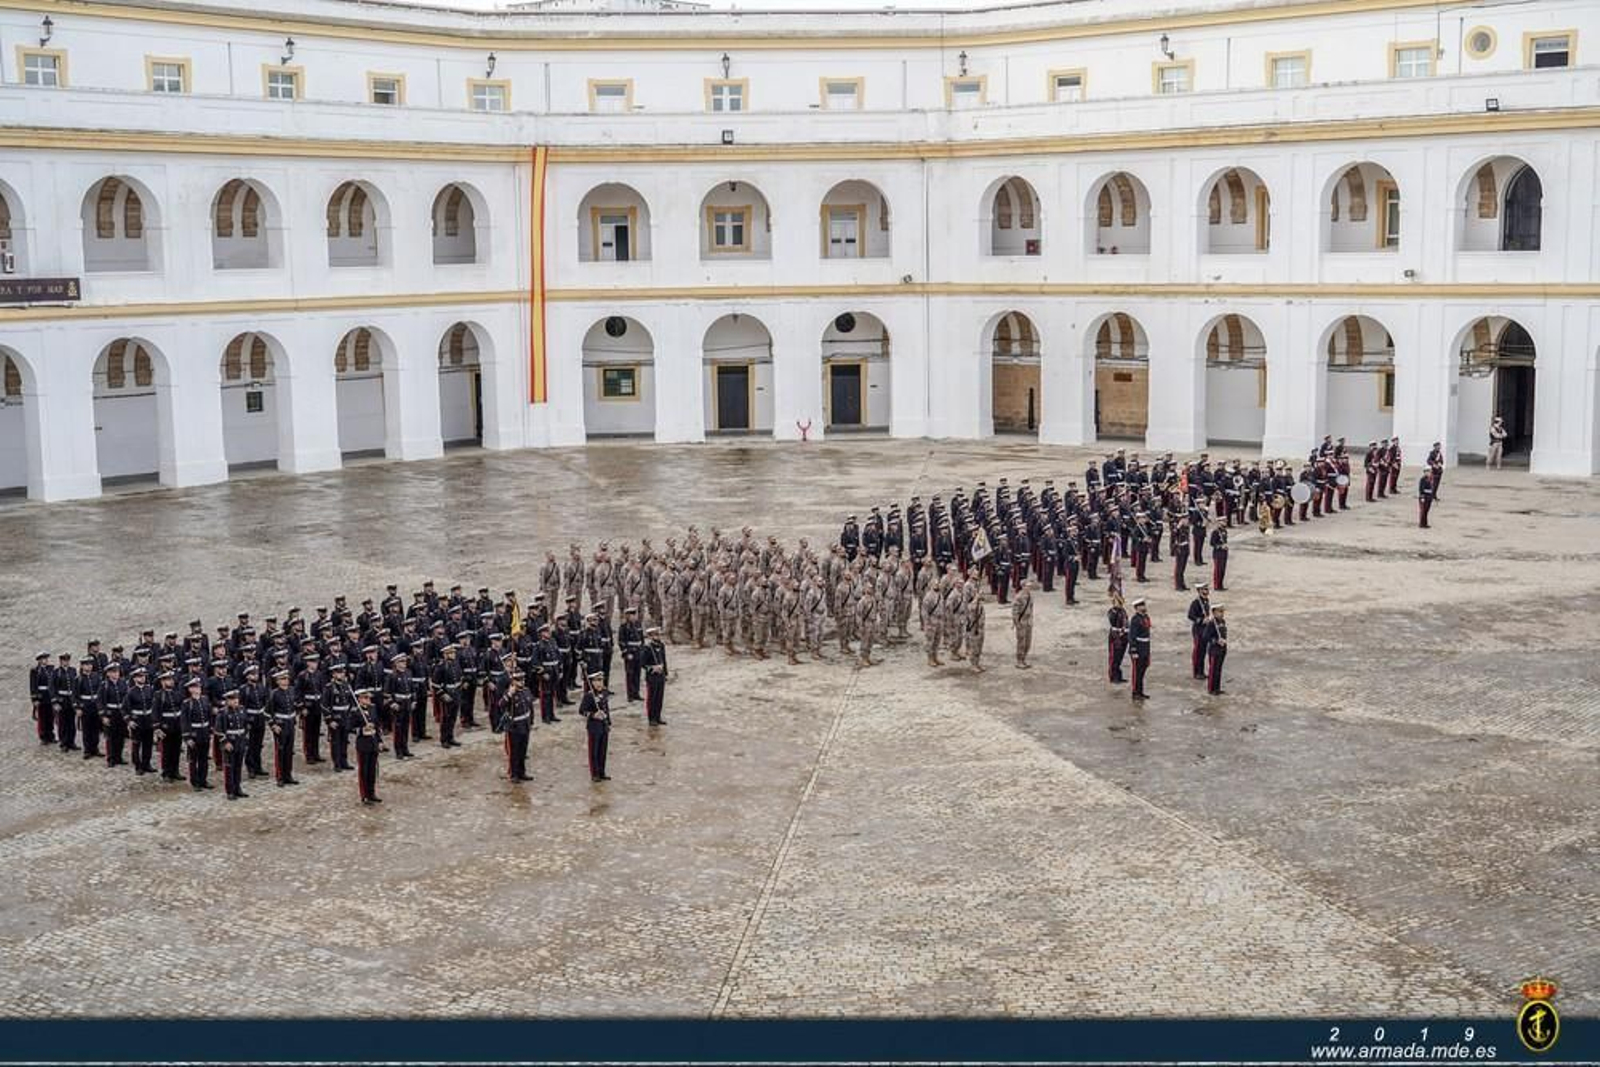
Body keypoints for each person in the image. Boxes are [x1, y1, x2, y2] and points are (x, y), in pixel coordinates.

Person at [179, 677, 214, 791]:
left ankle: (203, 779)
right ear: (190, 689)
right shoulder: (187, 704)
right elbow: (184, 721)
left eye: (198, 686)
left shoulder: (205, 699)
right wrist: (187, 737)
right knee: (193, 759)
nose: (197, 688)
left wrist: (211, 729)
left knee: (204, 758)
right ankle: (195, 782)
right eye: (194, 687)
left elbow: (209, 715)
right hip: (194, 733)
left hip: (204, 732)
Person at [350, 688, 384, 804]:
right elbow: (350, 727)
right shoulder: (355, 711)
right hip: (363, 744)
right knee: (363, 771)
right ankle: (364, 795)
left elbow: (377, 726)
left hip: (373, 742)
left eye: (369, 697)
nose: (369, 699)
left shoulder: (373, 708)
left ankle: (372, 792)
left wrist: (380, 741)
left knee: (372, 770)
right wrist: (362, 729)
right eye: (366, 698)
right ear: (359, 699)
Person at [267, 668, 300, 786]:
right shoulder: (274, 694)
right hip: (280, 725)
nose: (285, 681)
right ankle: (280, 776)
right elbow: (267, 712)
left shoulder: (292, 690)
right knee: (280, 751)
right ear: (277, 681)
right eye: (282, 679)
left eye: (286, 678)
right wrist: (273, 725)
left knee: (289, 750)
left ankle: (288, 774)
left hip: (290, 723)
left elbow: (295, 704)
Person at [499, 674, 534, 782]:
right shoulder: (509, 694)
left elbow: (530, 708)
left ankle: (521, 772)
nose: (521, 682)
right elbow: (501, 705)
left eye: (522, 680)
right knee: (514, 753)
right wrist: (509, 694)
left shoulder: (526, 691)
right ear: (513, 682)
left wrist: (531, 722)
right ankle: (513, 774)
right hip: (514, 727)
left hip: (525, 725)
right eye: (518, 680)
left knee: (523, 751)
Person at [216, 690, 249, 800]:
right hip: (230, 742)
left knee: (238, 766)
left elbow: (245, 725)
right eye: (232, 699)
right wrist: (225, 742)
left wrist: (245, 738)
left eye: (236, 699)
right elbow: (219, 730)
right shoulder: (223, 713)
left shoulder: (242, 710)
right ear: (228, 701)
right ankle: (230, 791)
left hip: (240, 741)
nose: (235, 701)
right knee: (229, 767)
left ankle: (237, 788)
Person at [580, 672, 612, 782]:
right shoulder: (589, 696)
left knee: (603, 750)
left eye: (600, 680)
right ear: (592, 683)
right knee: (594, 751)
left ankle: (602, 772)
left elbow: (606, 708)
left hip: (603, 725)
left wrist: (608, 722)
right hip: (594, 726)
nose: (599, 683)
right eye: (596, 681)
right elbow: (582, 711)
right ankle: (595, 774)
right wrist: (594, 715)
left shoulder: (605, 692)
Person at [641, 626, 668, 725]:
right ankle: (651, 718)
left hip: (660, 675)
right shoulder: (647, 648)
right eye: (655, 635)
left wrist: (665, 673)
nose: (658, 636)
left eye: (658, 634)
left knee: (659, 697)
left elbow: (664, 660)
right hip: (652, 676)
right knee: (652, 698)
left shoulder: (661, 646)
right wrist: (652, 668)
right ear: (651, 636)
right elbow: (642, 663)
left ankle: (658, 716)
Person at [1128, 597, 1152, 701]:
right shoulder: (1135, 619)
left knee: (1142, 670)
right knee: (1137, 672)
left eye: (1144, 605)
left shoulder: (1145, 617)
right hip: (1138, 646)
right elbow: (1132, 635)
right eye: (1141, 606)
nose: (1144, 607)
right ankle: (1135, 692)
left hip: (1145, 646)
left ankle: (1140, 691)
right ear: (1136, 608)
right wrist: (1133, 650)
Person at [1187, 584, 1212, 681]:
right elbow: (1190, 616)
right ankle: (1196, 672)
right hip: (1198, 630)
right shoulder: (1196, 603)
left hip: (1205, 629)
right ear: (1199, 591)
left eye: (1206, 589)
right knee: (1198, 652)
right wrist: (1201, 620)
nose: (1206, 591)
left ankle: (1201, 672)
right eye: (1203, 589)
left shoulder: (1206, 601)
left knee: (1203, 651)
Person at [1203, 605, 1229, 695]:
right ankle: (1211, 689)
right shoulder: (1211, 623)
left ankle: (1217, 688)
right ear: (1214, 613)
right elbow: (1205, 636)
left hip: (1222, 649)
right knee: (1213, 670)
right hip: (1214, 650)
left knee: (1218, 670)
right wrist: (1216, 641)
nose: (1222, 613)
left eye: (1222, 611)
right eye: (1219, 611)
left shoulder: (1222, 621)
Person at [1106, 592, 1128, 684]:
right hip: (1115, 635)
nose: (1119, 603)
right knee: (1114, 657)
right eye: (1117, 602)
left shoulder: (1123, 611)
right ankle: (1112, 676)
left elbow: (1126, 622)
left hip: (1123, 635)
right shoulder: (1112, 611)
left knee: (1120, 657)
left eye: (1120, 602)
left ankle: (1118, 675)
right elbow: (1112, 620)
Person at [1012, 579, 1034, 669]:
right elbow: (1015, 612)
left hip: (1028, 622)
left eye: (1030, 586)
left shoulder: (1029, 596)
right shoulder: (1019, 597)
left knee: (1028, 643)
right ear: (1023, 586)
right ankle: (1019, 661)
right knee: (1021, 643)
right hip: (1021, 622)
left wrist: (1031, 620)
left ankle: (1024, 659)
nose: (1029, 588)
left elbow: (1031, 608)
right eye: (1028, 586)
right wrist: (1016, 623)